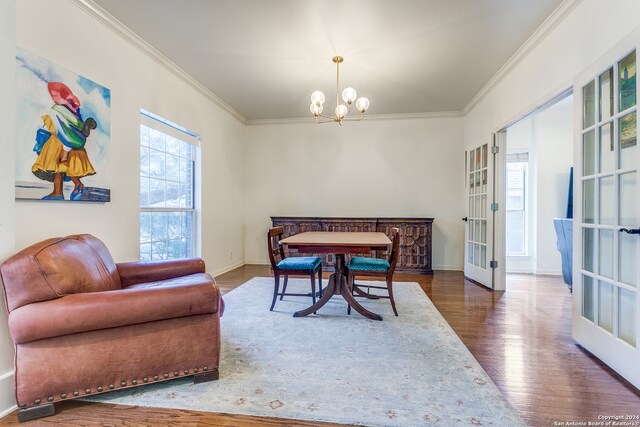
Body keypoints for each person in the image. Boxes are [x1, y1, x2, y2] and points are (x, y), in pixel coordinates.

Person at [31, 82, 97, 200]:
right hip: (64, 145)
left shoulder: (58, 111)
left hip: (60, 146)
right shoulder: (72, 117)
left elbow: (56, 128)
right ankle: (66, 190)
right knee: (63, 169)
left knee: (61, 168)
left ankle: (60, 192)